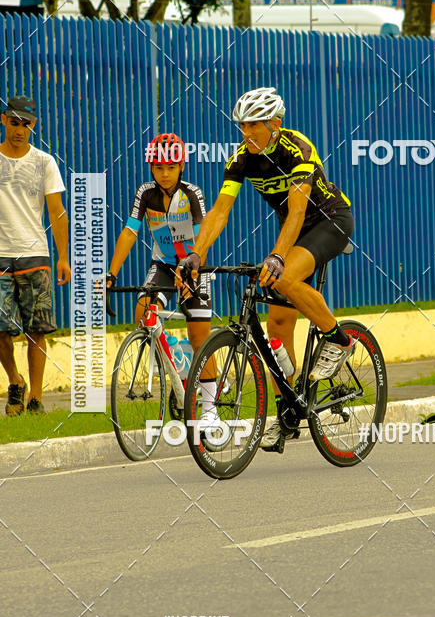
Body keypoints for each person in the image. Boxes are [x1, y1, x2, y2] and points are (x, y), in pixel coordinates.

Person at [178, 86, 355, 452]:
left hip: (329, 222)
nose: (246, 132)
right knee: (276, 329)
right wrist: (196, 253)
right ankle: (289, 410)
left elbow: (298, 212)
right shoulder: (241, 158)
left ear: (275, 122)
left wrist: (276, 256)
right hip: (291, 232)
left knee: (285, 276)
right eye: (242, 125)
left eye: (254, 125)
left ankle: (339, 339)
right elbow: (220, 211)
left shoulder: (297, 150)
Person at [106, 132, 217, 427]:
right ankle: (179, 370)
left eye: (170, 167)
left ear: (181, 166)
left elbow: (202, 237)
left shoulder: (192, 193)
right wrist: (111, 272)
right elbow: (130, 232)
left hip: (194, 266)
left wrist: (193, 268)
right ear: (151, 168)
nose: (164, 174)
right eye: (158, 168)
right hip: (164, 266)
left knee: (199, 339)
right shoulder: (146, 193)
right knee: (144, 312)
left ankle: (209, 410)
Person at [0, 95, 71, 415]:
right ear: (4, 120)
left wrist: (63, 256)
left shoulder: (45, 162)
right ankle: (15, 381)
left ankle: (36, 397)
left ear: (33, 125)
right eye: (14, 122)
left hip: (36, 255)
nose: (19, 129)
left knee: (36, 329)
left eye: (25, 124)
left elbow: (57, 212)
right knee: (1, 328)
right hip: (1, 256)